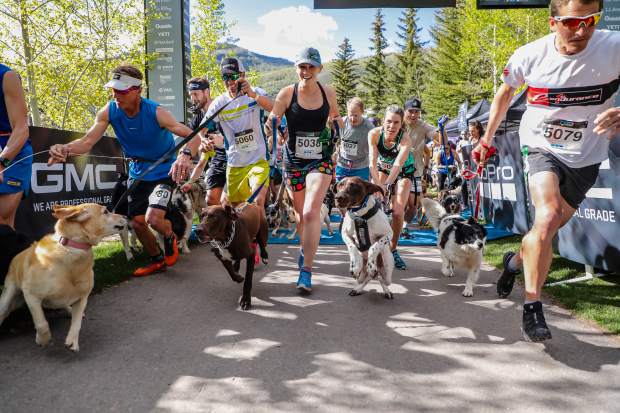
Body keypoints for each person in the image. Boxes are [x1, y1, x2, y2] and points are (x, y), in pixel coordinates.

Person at [473, 0, 620, 342]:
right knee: (548, 214)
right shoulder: (530, 55)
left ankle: (512, 263)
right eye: (572, 22)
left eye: (591, 20)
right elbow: (504, 94)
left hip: (586, 155)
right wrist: (486, 140)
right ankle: (532, 307)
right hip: (541, 145)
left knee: (546, 229)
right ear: (553, 22)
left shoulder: (612, 46)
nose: (582, 30)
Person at [48, 65, 198, 277]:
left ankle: (170, 235)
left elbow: (194, 136)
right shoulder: (108, 111)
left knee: (152, 219)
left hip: (163, 171)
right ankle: (157, 260)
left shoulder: (157, 112)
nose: (116, 94)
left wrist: (185, 155)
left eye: (122, 90)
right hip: (138, 173)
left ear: (137, 90)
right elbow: (87, 142)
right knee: (136, 222)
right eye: (113, 89)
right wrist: (65, 149)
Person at [266, 47, 342, 292]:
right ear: (296, 68)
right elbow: (272, 118)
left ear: (319, 69)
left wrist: (339, 129)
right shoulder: (287, 93)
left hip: (320, 159)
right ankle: (304, 249)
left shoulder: (328, 92)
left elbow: (336, 116)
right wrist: (273, 125)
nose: (306, 71)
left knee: (311, 213)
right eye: (302, 66)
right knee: (300, 216)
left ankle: (306, 270)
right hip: (293, 162)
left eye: (311, 66)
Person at [203, 57, 273, 209]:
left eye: (234, 77)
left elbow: (274, 108)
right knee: (237, 210)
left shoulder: (257, 93)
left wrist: (253, 95)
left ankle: (261, 233)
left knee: (257, 202)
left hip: (258, 160)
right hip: (235, 164)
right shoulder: (219, 103)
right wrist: (203, 140)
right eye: (225, 78)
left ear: (243, 76)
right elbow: (201, 131)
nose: (230, 82)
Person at [368, 105, 415, 270]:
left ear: (401, 124)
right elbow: (372, 164)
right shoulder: (374, 134)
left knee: (397, 211)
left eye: (396, 122)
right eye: (389, 121)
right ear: (383, 121)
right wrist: (379, 185)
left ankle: (393, 249)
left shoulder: (405, 139)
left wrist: (387, 185)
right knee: (376, 207)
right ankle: (373, 247)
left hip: (403, 171)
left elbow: (398, 164)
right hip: (382, 169)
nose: (391, 126)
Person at [182, 77, 226, 207]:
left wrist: (223, 140)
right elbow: (189, 142)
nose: (193, 98)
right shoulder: (197, 119)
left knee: (229, 201)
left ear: (207, 92)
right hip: (215, 163)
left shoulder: (223, 108)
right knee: (212, 201)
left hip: (236, 159)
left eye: (196, 94)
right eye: (191, 95)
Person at [0, 64, 31, 228]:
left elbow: (21, 129)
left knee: (2, 223)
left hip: (12, 153)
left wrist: (1, 163)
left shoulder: (7, 76)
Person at [402, 98, 434, 234]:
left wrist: (441, 130)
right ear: (405, 111)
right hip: (398, 170)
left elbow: (437, 138)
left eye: (417, 112)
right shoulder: (398, 123)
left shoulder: (423, 125)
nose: (414, 115)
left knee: (413, 206)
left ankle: (403, 225)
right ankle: (397, 224)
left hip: (416, 171)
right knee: (398, 202)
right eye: (411, 111)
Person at [335, 97, 373, 182]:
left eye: (356, 115)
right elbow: (338, 139)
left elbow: (374, 147)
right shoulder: (342, 122)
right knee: (340, 193)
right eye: (350, 115)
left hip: (361, 167)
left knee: (361, 193)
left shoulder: (369, 127)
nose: (352, 118)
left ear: (362, 112)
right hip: (342, 165)